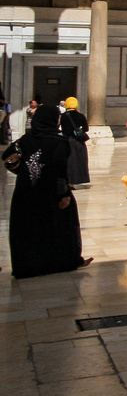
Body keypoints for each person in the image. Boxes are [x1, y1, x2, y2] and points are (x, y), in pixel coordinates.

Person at [3, 104, 92, 275]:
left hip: (27, 192)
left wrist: (21, 170)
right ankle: (64, 261)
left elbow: (7, 157)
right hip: (51, 193)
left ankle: (28, 266)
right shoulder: (59, 142)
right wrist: (64, 193)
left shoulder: (24, 140)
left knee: (29, 228)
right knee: (58, 226)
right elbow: (59, 169)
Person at [60, 96, 90, 187]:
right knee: (78, 161)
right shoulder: (81, 116)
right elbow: (86, 129)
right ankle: (76, 181)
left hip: (66, 141)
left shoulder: (63, 116)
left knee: (68, 162)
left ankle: (68, 182)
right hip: (78, 143)